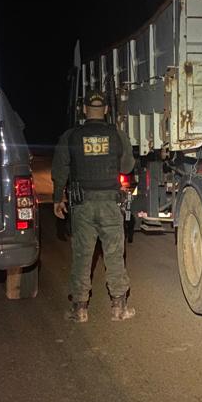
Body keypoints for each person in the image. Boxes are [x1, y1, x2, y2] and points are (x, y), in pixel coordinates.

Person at [52, 91, 136, 322]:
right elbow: (127, 167)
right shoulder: (117, 134)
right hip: (110, 202)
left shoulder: (71, 135)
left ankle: (79, 309)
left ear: (85, 110)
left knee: (82, 256)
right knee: (114, 255)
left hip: (82, 205)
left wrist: (58, 197)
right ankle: (119, 308)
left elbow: (60, 169)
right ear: (106, 110)